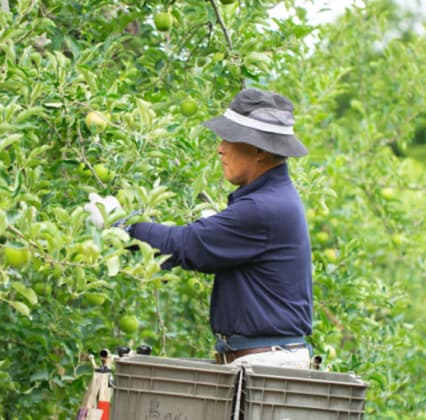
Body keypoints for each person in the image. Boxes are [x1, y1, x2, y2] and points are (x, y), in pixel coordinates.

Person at [122, 88, 314, 368]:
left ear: (259, 149)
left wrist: (125, 226)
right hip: (263, 358)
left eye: (229, 138)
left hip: (266, 364)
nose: (220, 148)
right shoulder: (270, 198)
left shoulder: (262, 208)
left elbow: (187, 245)